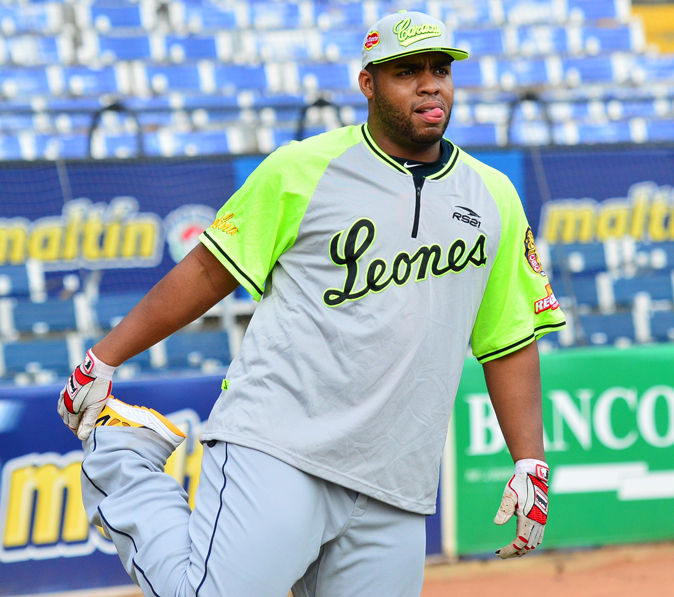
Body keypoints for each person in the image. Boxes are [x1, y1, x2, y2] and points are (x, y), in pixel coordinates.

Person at [58, 10, 565, 597]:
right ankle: (126, 460)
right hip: (280, 447)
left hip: (397, 482)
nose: (430, 84)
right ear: (368, 83)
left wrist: (530, 461)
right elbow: (206, 269)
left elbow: (509, 340)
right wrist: (103, 359)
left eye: (440, 69)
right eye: (407, 71)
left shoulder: (494, 195)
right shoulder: (302, 168)